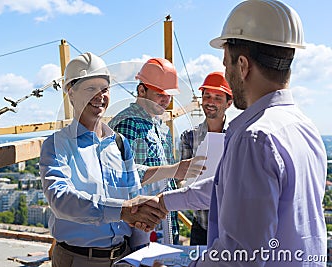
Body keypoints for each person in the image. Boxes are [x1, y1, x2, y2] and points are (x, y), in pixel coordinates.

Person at [152, 0, 327, 266]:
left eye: (227, 65)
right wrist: (165, 201)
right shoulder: (304, 127)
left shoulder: (255, 139)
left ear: (243, 65)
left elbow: (238, 256)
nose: (227, 72)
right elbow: (229, 188)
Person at [39, 52, 167, 267]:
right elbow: (60, 200)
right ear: (71, 94)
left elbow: (134, 196)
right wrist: (121, 210)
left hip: (123, 256)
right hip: (77, 259)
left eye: (104, 89)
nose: (99, 95)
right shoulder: (56, 145)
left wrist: (142, 253)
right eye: (90, 89)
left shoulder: (119, 144)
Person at [108, 58, 182, 246]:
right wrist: (175, 169)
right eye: (160, 94)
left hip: (161, 225)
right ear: (142, 91)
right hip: (141, 231)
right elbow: (123, 176)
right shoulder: (128, 123)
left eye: (169, 95)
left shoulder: (159, 125)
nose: (166, 100)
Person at [179, 71, 232, 246]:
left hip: (231, 228)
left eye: (218, 97)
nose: (210, 102)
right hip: (200, 226)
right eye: (207, 96)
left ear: (229, 103)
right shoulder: (189, 137)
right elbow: (182, 179)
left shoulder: (238, 137)